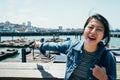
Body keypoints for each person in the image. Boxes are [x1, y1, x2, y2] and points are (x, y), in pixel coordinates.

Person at [35, 13, 116, 80]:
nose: (93, 31)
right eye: (90, 27)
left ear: (103, 36)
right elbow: (55, 46)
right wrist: (40, 45)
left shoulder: (108, 57)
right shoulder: (72, 46)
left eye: (99, 29)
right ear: (84, 29)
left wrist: (104, 78)